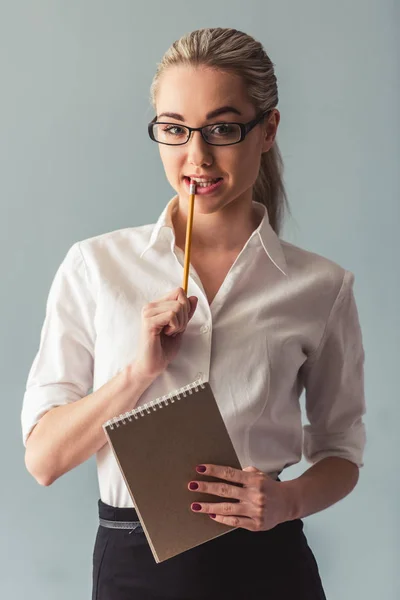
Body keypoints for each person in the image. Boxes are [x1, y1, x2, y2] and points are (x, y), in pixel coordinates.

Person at [21, 27, 366, 600]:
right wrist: (137, 373)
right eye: (175, 129)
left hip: (267, 565)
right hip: (134, 566)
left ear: (267, 131)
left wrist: (289, 500)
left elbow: (341, 451)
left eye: (223, 129)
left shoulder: (320, 287)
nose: (196, 156)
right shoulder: (95, 267)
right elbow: (44, 459)